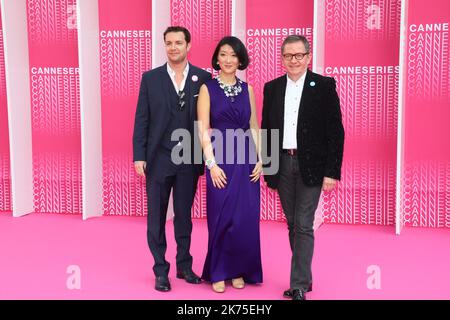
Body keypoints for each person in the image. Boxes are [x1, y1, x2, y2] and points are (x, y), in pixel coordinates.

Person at [261, 35, 344, 300]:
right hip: (283, 163)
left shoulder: (323, 85)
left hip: (313, 165)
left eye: (299, 55)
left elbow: (335, 131)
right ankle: (304, 278)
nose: (294, 60)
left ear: (308, 57)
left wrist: (332, 171)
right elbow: (266, 130)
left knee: (304, 224)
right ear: (282, 59)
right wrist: (268, 165)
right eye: (288, 56)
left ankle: (297, 284)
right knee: (292, 223)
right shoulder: (272, 88)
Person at [132, 26, 211, 292]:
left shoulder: (203, 78)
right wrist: (139, 156)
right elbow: (142, 119)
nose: (173, 47)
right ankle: (160, 270)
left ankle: (184, 265)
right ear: (164, 46)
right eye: (169, 43)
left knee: (184, 216)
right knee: (155, 217)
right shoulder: (150, 78)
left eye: (179, 42)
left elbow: (209, 120)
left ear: (189, 45)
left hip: (189, 157)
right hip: (158, 158)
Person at [197, 36, 263, 293]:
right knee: (221, 216)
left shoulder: (248, 89)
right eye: (223, 54)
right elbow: (203, 128)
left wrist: (262, 159)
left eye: (233, 55)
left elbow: (254, 126)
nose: (227, 60)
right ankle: (218, 271)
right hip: (221, 159)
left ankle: (237, 270)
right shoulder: (207, 88)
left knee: (245, 218)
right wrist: (211, 164)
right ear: (217, 58)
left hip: (246, 159)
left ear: (240, 59)